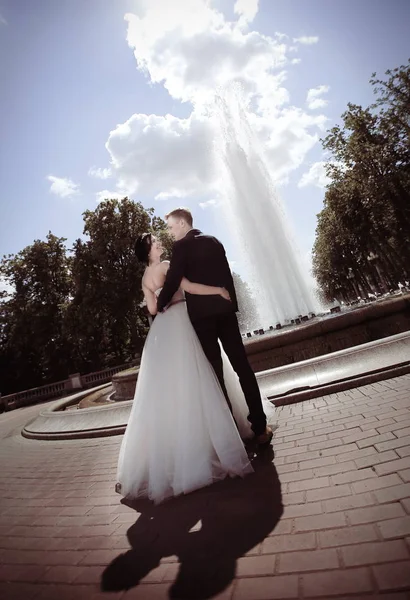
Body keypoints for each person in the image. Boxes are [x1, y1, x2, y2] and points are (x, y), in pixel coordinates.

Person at [116, 233, 254, 505]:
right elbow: (189, 287)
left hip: (162, 332)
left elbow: (153, 309)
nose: (159, 243)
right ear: (148, 250)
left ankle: (179, 452)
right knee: (200, 377)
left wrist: (155, 297)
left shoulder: (145, 278)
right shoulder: (167, 266)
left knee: (172, 389)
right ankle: (216, 442)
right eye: (155, 242)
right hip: (182, 322)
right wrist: (218, 290)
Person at [157, 208, 273, 446]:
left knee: (216, 377)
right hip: (226, 313)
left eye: (170, 226)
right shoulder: (215, 241)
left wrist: (159, 305)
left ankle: (232, 435)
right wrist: (231, 304)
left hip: (202, 319)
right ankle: (260, 427)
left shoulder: (181, 248)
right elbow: (226, 276)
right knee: (243, 368)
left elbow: (173, 280)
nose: (169, 232)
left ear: (181, 223)